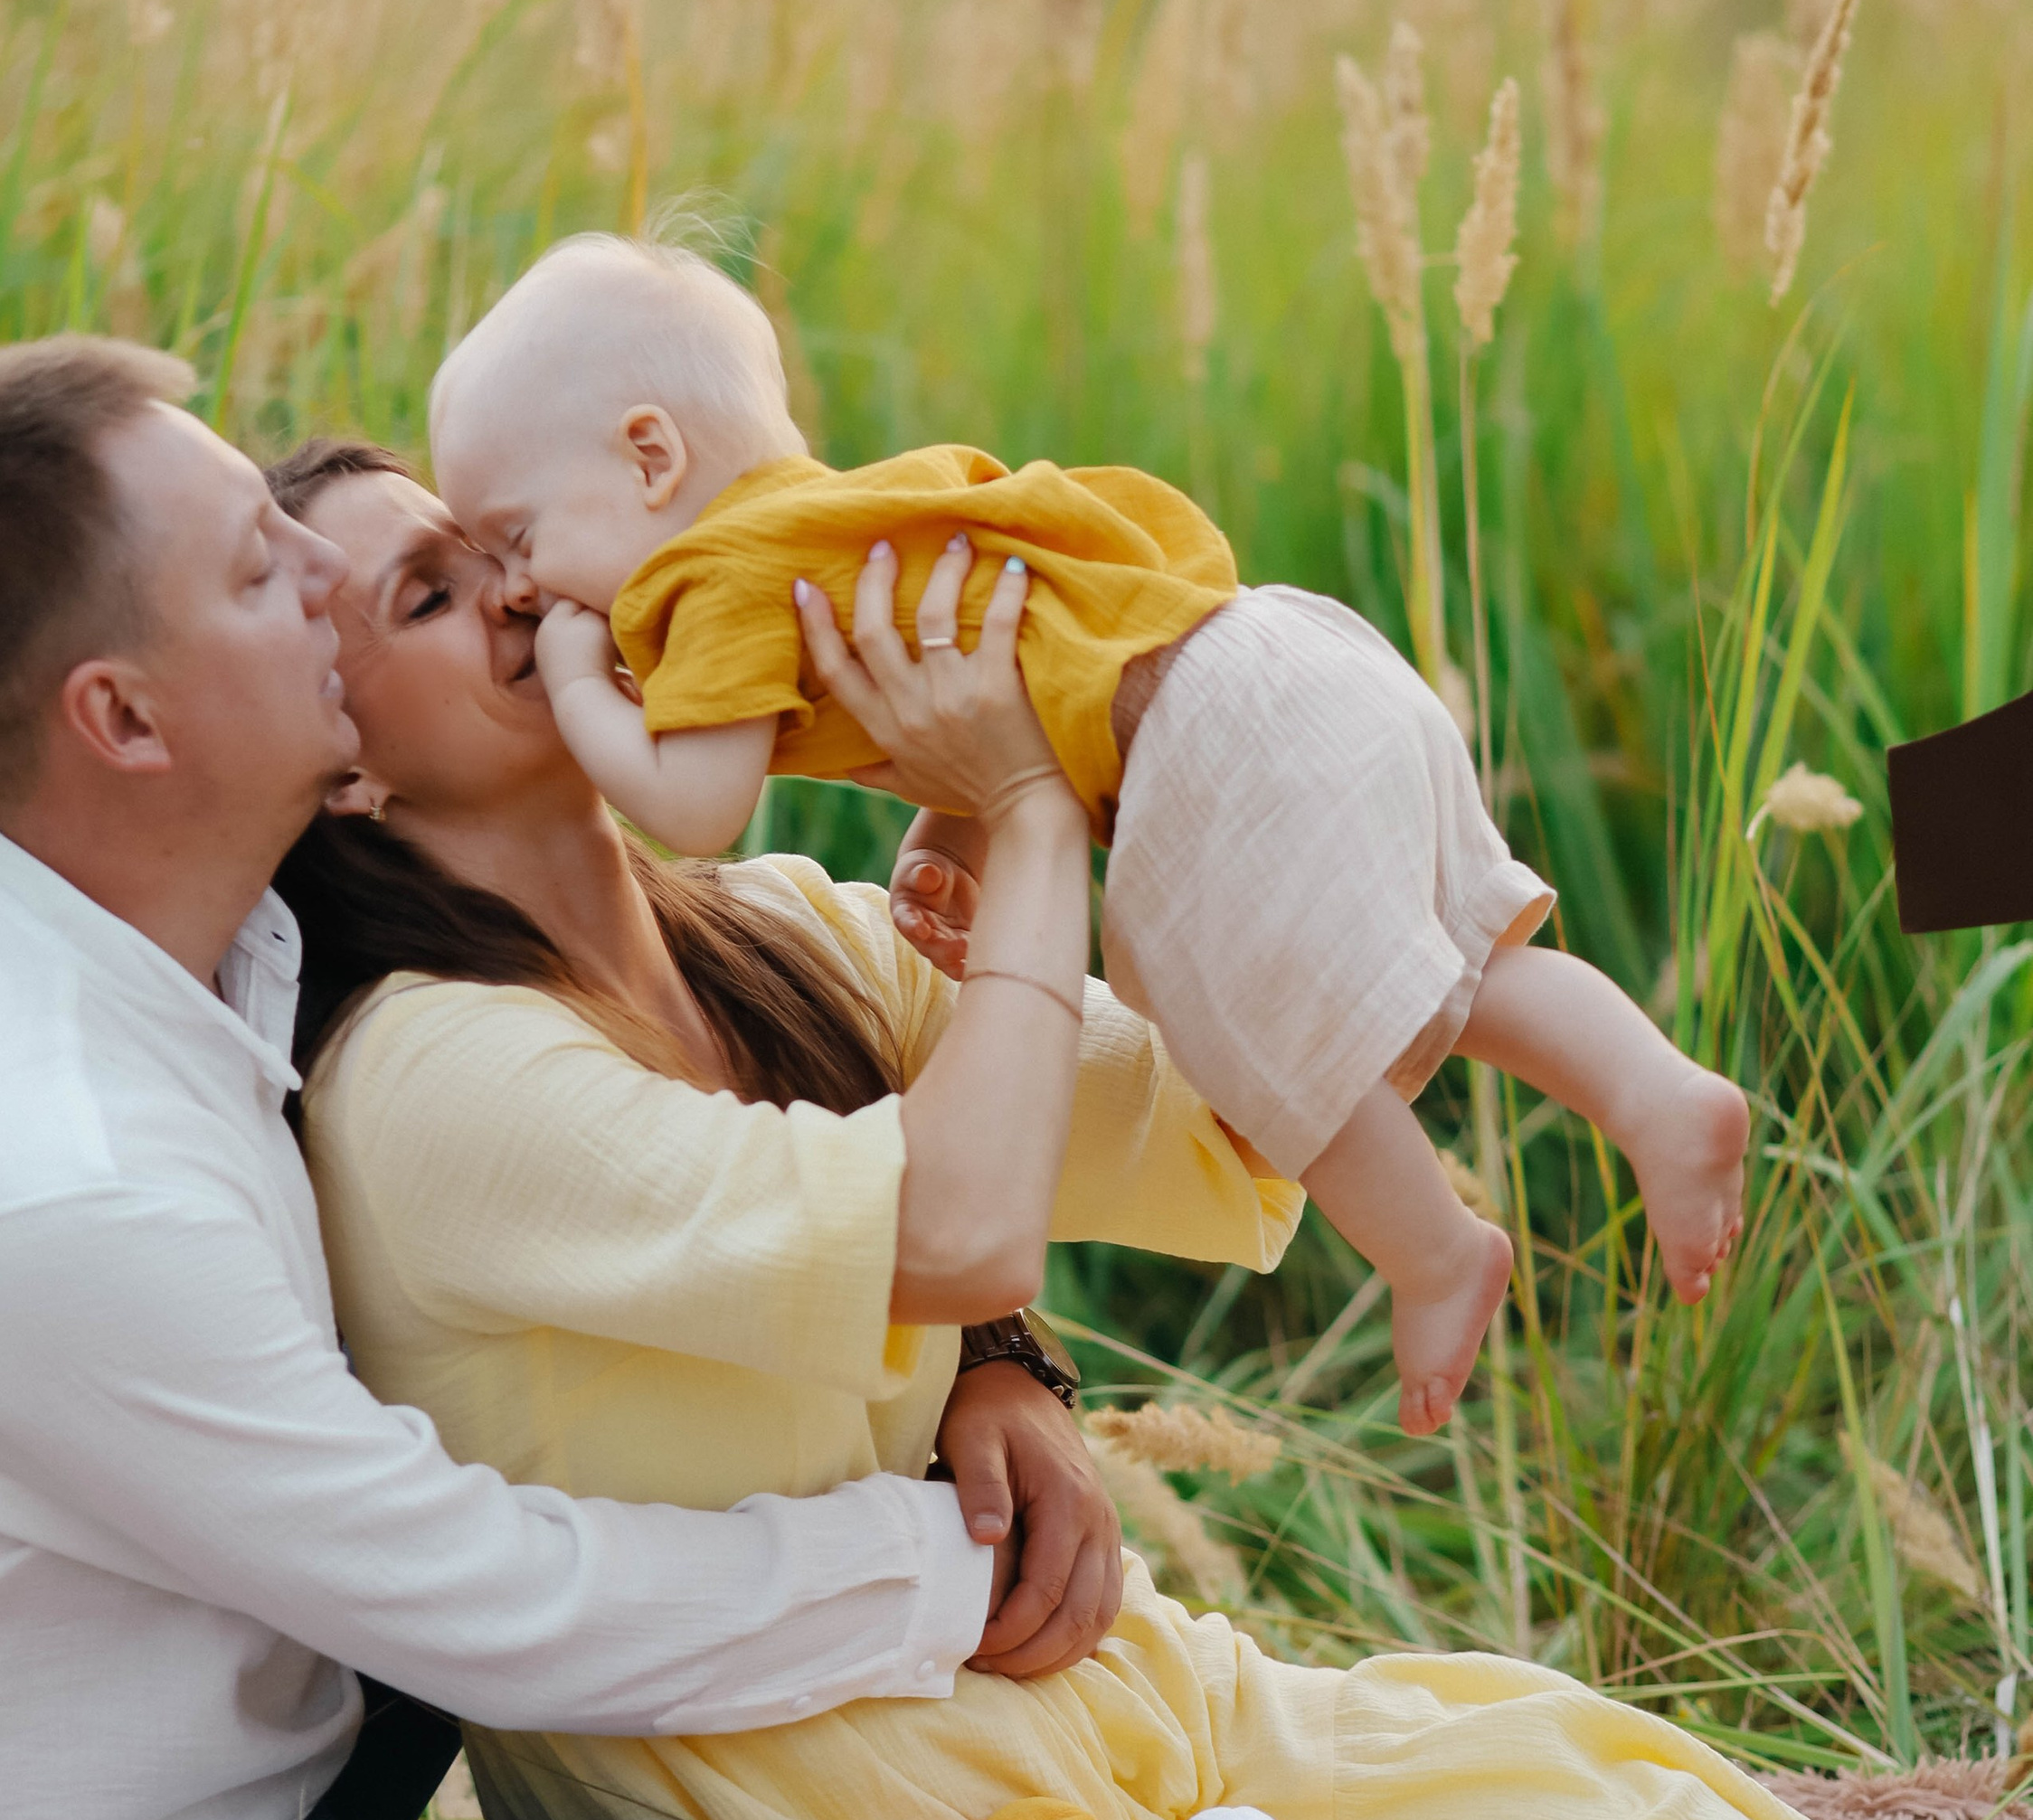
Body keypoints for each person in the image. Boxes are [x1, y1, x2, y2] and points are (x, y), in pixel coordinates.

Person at [273, 436, 1866, 1820]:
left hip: (1053, 1687)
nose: (523, 594)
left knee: (1658, 1808)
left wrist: (1157, 736)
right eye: (434, 594)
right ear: (343, 765)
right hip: (829, 1819)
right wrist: (1028, 823)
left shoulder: (768, 937)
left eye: (506, 546)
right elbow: (954, 1227)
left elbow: (1232, 1097)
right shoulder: (429, 1076)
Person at [0, 335, 1083, 1820]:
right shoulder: (41, 1172)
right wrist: (936, 1561)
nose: (316, 574)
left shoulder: (170, 926)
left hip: (226, 1813)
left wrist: (994, 1351)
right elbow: (473, 1598)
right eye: (254, 568)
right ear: (125, 720)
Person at [428, 230, 1750, 1440]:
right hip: (1274, 660)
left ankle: (1435, 1254)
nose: (519, 588)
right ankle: (1652, 1091)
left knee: (1235, 1014)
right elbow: (1023, 650)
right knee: (1449, 969)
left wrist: (588, 683)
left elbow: (694, 807)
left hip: (1205, 732)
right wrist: (961, 821)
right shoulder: (854, 518)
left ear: (651, 458)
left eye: (517, 537)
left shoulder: (703, 577)